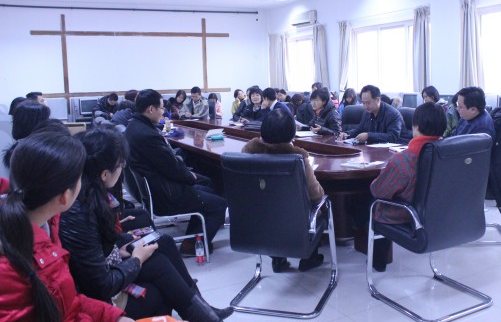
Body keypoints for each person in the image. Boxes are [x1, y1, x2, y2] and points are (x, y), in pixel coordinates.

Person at [60, 127, 233, 322]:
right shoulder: (81, 211)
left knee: (164, 242)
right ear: (105, 174)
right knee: (161, 279)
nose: (122, 168)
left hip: (104, 268)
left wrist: (119, 244)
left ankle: (204, 310)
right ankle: (204, 315)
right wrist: (136, 259)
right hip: (98, 294)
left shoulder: (90, 193)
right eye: (120, 165)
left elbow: (96, 246)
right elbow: (100, 284)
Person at [0, 132, 132, 322]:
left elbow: (68, 302)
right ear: (65, 197)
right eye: (80, 177)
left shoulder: (47, 225)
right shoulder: (10, 268)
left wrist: (114, 317)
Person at [125, 89, 227, 254]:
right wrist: (190, 176)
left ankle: (196, 235)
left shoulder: (134, 127)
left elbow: (169, 164)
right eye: (161, 108)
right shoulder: (146, 135)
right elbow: (171, 168)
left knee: (208, 187)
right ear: (150, 109)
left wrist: (188, 174)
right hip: (165, 195)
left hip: (157, 188)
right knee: (219, 203)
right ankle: (192, 246)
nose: (163, 111)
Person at [242, 109, 325, 273]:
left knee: (270, 210)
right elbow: (315, 196)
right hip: (295, 222)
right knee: (320, 208)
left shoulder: (248, 153)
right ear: (291, 134)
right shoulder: (298, 159)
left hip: (258, 220)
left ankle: (278, 258)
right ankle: (309, 258)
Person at [370, 102, 447, 271]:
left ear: (416, 126)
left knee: (368, 203)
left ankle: (378, 262)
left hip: (405, 215)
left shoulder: (403, 160)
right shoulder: (448, 154)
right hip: (438, 215)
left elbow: (378, 191)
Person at [339, 85, 410, 144]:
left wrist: (369, 136)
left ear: (378, 100)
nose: (365, 106)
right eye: (363, 103)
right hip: (376, 148)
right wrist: (347, 134)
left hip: (397, 149)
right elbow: (360, 129)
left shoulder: (393, 114)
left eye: (368, 103)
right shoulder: (367, 112)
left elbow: (392, 137)